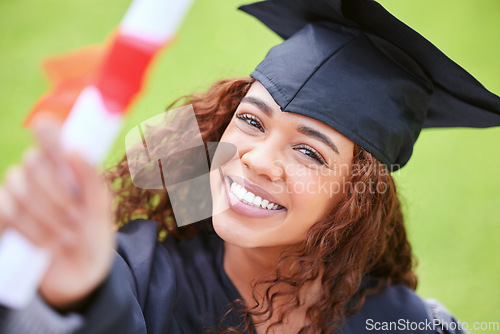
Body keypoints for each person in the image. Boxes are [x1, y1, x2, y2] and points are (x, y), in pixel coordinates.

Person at [0, 0, 499, 333]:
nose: (256, 159)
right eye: (252, 122)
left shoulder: (401, 322)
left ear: (354, 195)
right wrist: (77, 294)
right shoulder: (132, 279)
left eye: (309, 151)